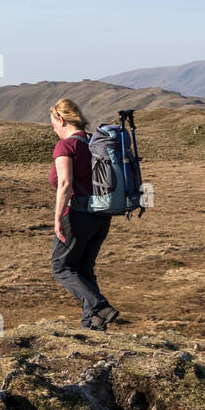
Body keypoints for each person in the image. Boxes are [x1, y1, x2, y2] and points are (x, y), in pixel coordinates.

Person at [49, 98, 120, 330]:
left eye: (54, 124)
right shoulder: (94, 142)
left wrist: (58, 218)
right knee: (84, 270)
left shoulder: (66, 146)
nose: (54, 130)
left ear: (61, 119)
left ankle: (99, 307)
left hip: (77, 216)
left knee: (62, 268)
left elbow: (65, 183)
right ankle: (92, 328)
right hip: (101, 216)